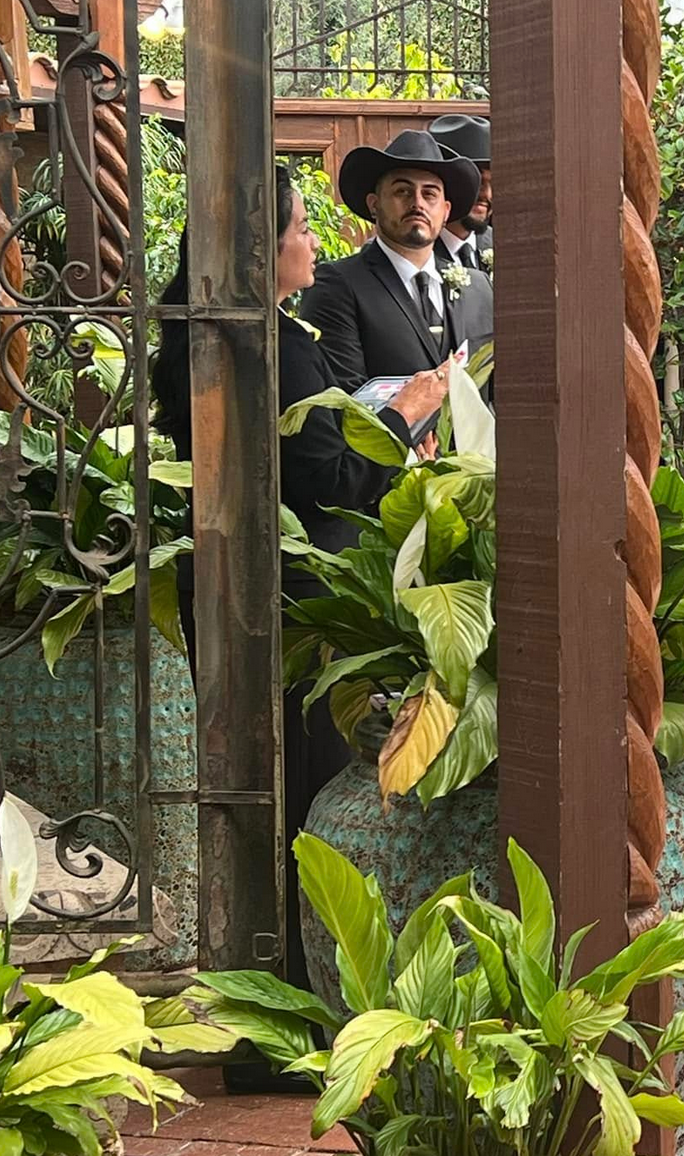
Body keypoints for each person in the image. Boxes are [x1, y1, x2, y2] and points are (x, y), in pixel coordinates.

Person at [152, 164, 450, 1034]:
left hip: (232, 581)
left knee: (250, 789)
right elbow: (327, 475)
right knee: (303, 793)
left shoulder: (207, 331)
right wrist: (406, 415)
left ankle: (259, 994)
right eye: (300, 229)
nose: (314, 242)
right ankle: (299, 999)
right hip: (297, 595)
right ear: (264, 249)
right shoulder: (271, 343)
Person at [301, 129, 493, 395]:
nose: (417, 204)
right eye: (403, 191)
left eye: (430, 194)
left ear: (446, 211)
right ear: (374, 204)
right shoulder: (337, 286)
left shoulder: (479, 288)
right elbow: (343, 398)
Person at [429, 114, 494, 273]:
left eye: (495, 183)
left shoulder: (504, 246)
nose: (487, 194)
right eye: (477, 181)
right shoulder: (415, 251)